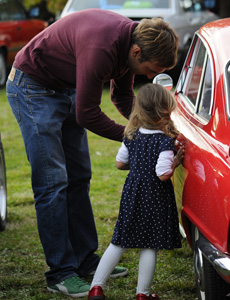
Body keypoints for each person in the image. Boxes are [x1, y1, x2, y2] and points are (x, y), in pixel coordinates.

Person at [6, 9, 178, 298]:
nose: (149, 76)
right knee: (53, 183)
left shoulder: (130, 46)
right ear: (137, 52)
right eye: (151, 69)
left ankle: (86, 261)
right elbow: (87, 114)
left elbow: (122, 97)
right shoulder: (103, 47)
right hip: (32, 88)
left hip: (65, 87)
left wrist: (159, 127)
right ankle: (60, 273)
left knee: (80, 176)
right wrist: (135, 137)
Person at [88, 83, 185, 300]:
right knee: (149, 244)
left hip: (132, 194)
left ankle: (96, 288)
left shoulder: (131, 136)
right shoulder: (164, 142)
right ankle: (143, 294)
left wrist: (140, 164)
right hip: (155, 196)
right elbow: (162, 174)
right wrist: (176, 162)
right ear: (164, 113)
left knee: (119, 240)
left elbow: (120, 164)